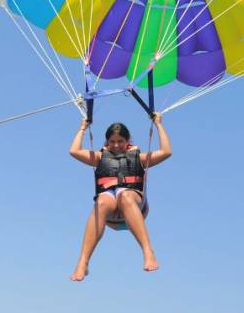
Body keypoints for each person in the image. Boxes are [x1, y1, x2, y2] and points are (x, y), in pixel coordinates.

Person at [68, 112, 171, 280]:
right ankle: (83, 262)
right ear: (107, 143)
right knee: (101, 201)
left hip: (134, 205)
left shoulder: (140, 157)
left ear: (128, 141)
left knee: (125, 195)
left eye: (120, 141)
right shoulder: (100, 157)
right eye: (112, 142)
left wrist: (158, 124)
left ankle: (147, 251)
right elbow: (74, 151)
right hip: (110, 213)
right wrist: (82, 128)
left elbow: (166, 151)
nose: (116, 145)